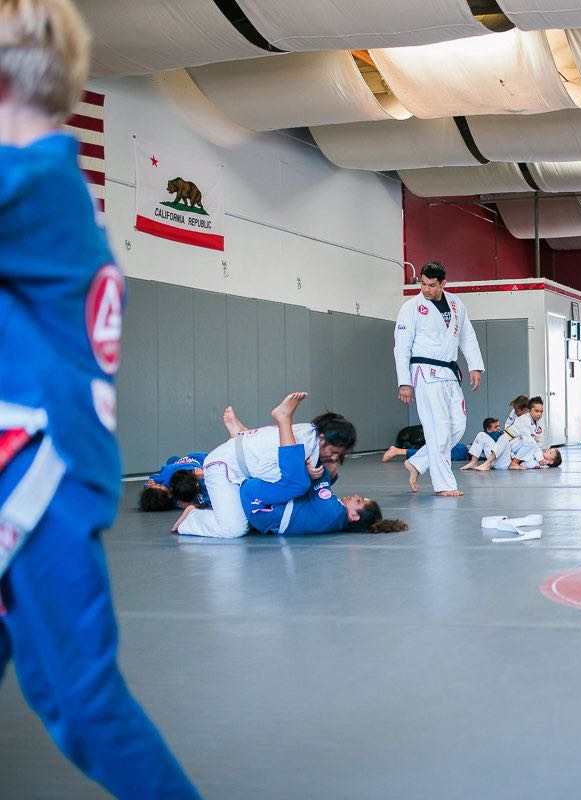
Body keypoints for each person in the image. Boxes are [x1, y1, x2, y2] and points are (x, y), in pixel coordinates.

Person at [0, 1, 199, 795]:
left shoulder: (37, 181)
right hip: (32, 464)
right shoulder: (43, 187)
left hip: (39, 476)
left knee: (81, 701)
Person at [174, 392, 355, 538]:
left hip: (243, 465)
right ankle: (192, 518)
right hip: (223, 468)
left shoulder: (309, 436)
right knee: (233, 529)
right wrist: (304, 472)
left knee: (296, 482)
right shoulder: (303, 440)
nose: (333, 458)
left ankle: (240, 432)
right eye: (334, 452)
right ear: (323, 439)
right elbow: (270, 473)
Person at [235, 399, 407, 535]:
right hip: (265, 513)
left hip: (257, 503)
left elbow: (316, 485)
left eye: (359, 501)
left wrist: (327, 471)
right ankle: (244, 436)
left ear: (354, 516)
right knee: (300, 477)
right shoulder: (333, 516)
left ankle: (282, 420)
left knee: (297, 481)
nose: (356, 496)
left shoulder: (332, 512)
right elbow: (314, 493)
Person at [394, 261, 484, 497]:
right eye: (422, 284)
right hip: (424, 372)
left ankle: (417, 462)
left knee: (458, 426)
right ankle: (444, 484)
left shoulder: (456, 304)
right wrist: (404, 382)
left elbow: (467, 336)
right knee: (438, 430)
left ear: (443, 283)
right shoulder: (411, 307)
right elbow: (401, 347)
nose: (425, 289)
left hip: (449, 373)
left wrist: (475, 366)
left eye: (431, 285)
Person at [471, 397, 544, 472]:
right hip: (499, 454)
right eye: (536, 411)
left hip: (503, 461)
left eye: (541, 412)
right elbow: (508, 430)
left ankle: (487, 463)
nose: (539, 414)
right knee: (482, 435)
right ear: (528, 410)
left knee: (524, 441)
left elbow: (533, 445)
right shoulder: (523, 418)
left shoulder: (534, 423)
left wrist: (540, 459)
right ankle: (473, 462)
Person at [138, 452, 208, 511]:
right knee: (172, 459)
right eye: (159, 485)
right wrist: (201, 480)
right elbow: (209, 501)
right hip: (200, 460)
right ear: (170, 495)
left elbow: (143, 502)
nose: (158, 484)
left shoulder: (163, 480)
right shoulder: (180, 501)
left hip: (182, 464)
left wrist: (147, 486)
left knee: (172, 459)